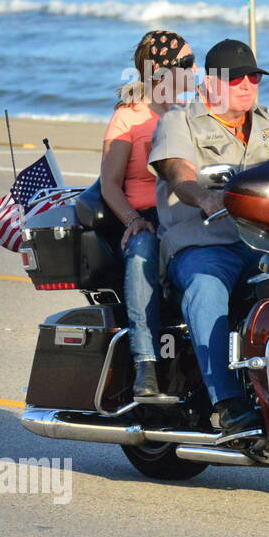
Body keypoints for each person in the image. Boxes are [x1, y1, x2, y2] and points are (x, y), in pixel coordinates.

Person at [148, 39, 269, 439]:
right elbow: (178, 173)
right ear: (210, 82)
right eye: (236, 78)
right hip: (205, 244)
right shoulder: (180, 121)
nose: (248, 85)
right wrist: (206, 197)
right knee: (206, 288)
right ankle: (228, 404)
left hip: (266, 243)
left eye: (254, 77)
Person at [100, 30, 196, 402]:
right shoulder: (128, 116)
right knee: (142, 251)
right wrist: (132, 221)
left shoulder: (186, 115)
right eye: (186, 64)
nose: (195, 70)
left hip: (182, 214)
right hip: (143, 216)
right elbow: (109, 184)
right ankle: (146, 364)